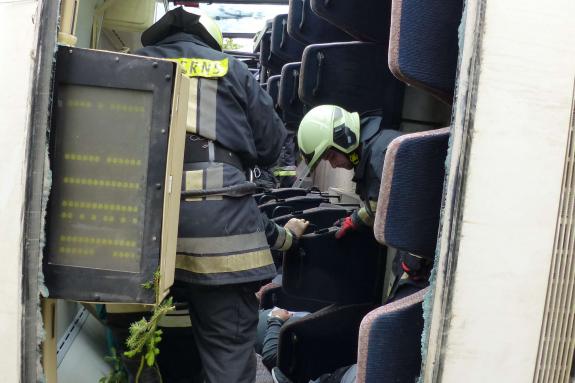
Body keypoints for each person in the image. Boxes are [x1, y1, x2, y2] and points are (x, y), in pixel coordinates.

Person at [136, 8, 309, 383]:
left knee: (137, 343)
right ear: (210, 43)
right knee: (228, 354)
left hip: (140, 228)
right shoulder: (232, 69)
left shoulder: (131, 63)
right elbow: (271, 144)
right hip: (221, 236)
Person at [296, 105, 402, 239]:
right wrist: (356, 219)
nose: (333, 165)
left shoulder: (382, 155)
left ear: (344, 138)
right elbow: (382, 203)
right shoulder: (371, 153)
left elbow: (396, 207)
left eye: (332, 157)